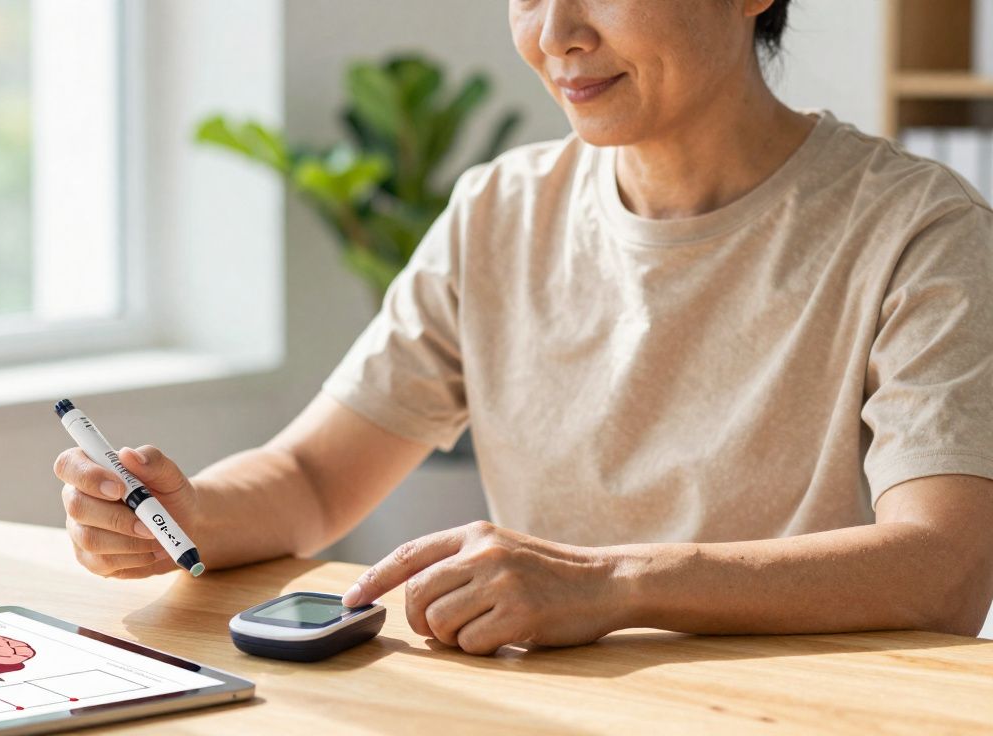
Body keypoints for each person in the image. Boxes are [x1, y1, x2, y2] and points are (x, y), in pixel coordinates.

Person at [54, 0, 993, 655]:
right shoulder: (499, 210)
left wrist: (611, 585)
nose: (556, 36)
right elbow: (309, 477)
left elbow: (944, 569)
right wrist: (185, 515)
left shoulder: (920, 229)